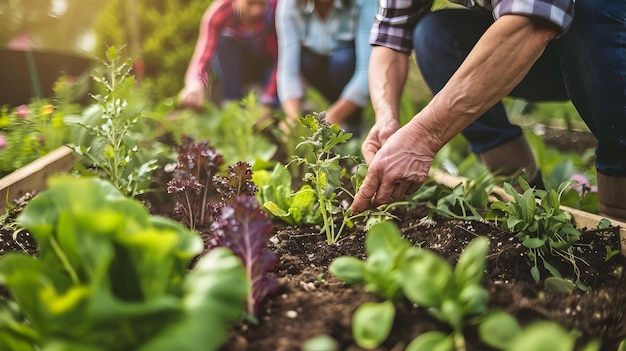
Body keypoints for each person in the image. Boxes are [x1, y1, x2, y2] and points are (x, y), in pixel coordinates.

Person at [350, 0, 626, 223]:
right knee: (434, 34)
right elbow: (391, 35)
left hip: (606, 39)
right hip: (552, 51)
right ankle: (525, 200)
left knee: (593, 7)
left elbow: (533, 24)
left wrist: (422, 138)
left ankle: (617, 212)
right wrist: (387, 119)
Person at [275, 0, 377, 132]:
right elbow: (287, 70)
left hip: (348, 66)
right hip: (315, 65)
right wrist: (293, 119)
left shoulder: (364, 2)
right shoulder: (289, 4)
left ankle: (353, 121)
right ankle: (336, 114)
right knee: (306, 60)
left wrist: (330, 119)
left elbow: (366, 70)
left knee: (342, 61)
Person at [179, 0, 279, 111]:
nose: (256, 11)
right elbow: (204, 55)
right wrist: (196, 83)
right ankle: (232, 104)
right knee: (224, 41)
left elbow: (282, 59)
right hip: (240, 67)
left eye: (262, 4)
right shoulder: (220, 12)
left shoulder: (276, 10)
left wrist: (268, 101)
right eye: (250, 3)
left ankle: (271, 100)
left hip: (270, 65)